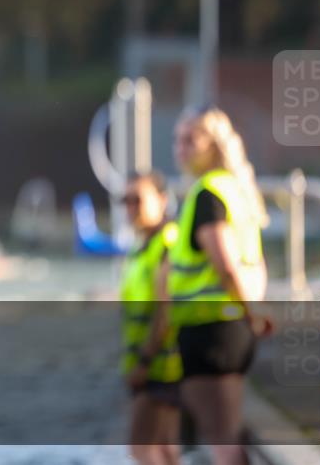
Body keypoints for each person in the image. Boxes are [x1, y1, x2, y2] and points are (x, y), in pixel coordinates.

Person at [162, 105, 272, 465]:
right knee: (225, 432)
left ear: (214, 144)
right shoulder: (235, 189)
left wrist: (253, 313)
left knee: (222, 440)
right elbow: (253, 260)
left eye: (190, 139)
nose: (180, 148)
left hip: (211, 330)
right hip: (228, 327)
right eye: (177, 140)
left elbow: (226, 265)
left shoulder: (208, 194)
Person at [119, 172, 181, 465]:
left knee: (141, 449)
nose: (130, 207)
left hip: (162, 366)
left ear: (163, 201)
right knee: (164, 448)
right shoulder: (141, 247)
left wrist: (145, 360)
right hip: (154, 365)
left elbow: (165, 310)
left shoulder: (167, 243)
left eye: (137, 200)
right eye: (125, 201)